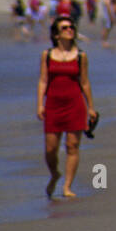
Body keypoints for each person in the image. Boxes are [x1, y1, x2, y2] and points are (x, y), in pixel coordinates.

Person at [37, 17, 97, 199]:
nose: (70, 30)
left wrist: (91, 108)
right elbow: (43, 80)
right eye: (65, 28)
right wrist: (40, 103)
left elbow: (84, 83)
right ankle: (55, 174)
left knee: (72, 146)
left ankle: (67, 186)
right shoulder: (47, 55)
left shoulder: (80, 56)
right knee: (50, 149)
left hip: (75, 104)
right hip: (53, 105)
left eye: (72, 27)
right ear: (56, 34)